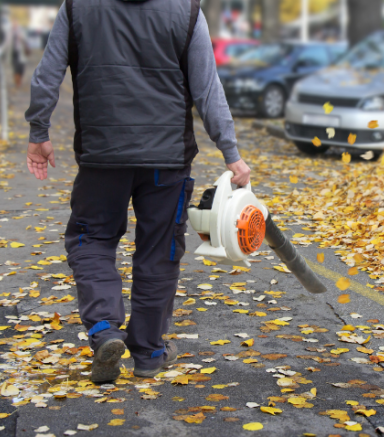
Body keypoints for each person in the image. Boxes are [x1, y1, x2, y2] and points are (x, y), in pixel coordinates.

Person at [24, 0, 251, 383]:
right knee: (160, 250)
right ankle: (148, 353)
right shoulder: (188, 10)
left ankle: (104, 331)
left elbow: (47, 73)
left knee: (91, 239)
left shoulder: (78, 7)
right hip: (167, 159)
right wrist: (231, 153)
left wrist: (38, 133)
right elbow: (207, 87)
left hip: (102, 156)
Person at [11, 23, 28, 87]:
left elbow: (26, 41)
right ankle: (17, 82)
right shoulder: (10, 33)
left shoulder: (22, 32)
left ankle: (19, 80)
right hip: (14, 53)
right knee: (16, 68)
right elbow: (6, 43)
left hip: (21, 53)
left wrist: (21, 37)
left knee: (21, 68)